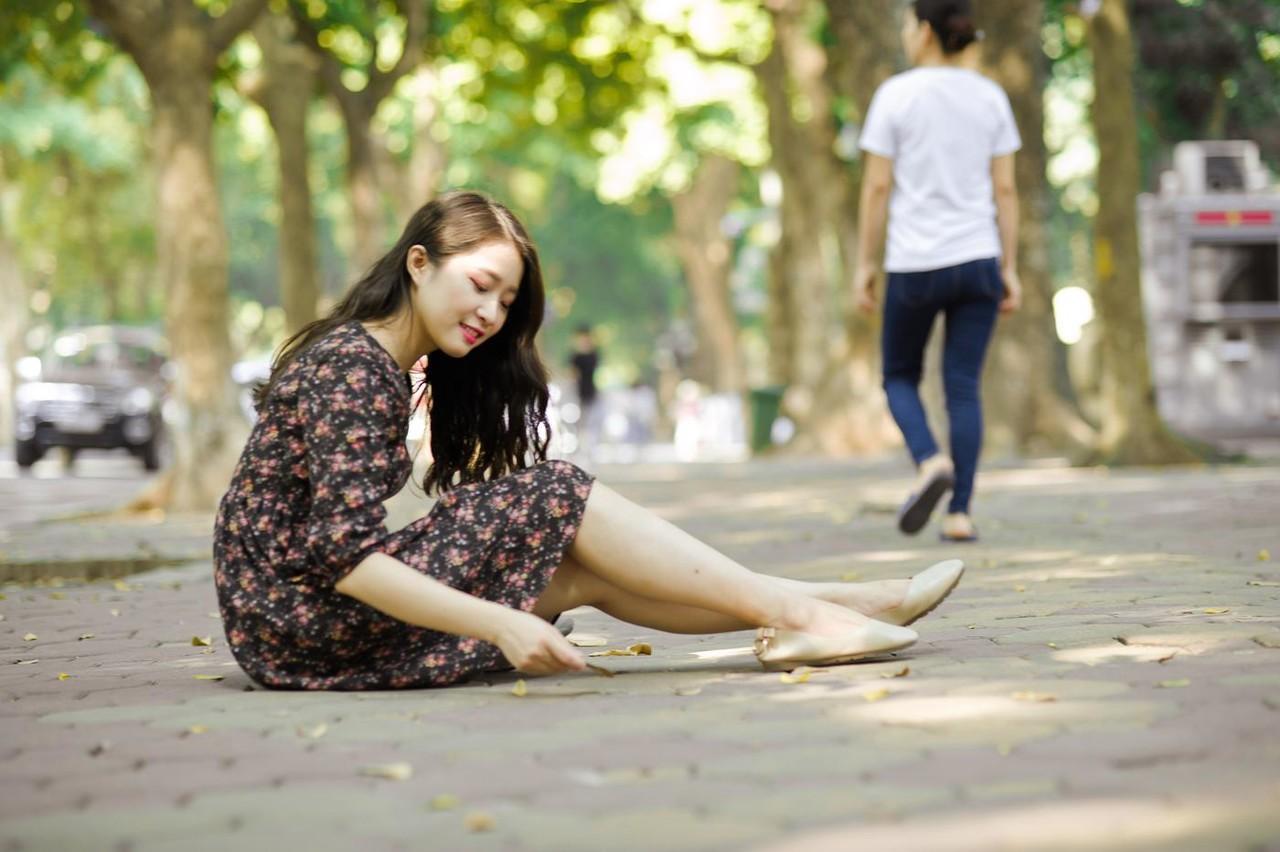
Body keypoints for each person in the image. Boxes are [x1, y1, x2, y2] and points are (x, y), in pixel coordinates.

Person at [213, 190, 966, 691]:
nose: (491, 314)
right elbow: (344, 556)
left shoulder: (390, 364)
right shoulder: (355, 364)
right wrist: (501, 622)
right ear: (418, 263)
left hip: (287, 627)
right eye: (479, 284)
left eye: (506, 302)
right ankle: (819, 611)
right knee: (557, 491)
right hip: (300, 622)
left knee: (581, 571)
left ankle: (824, 610)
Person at [852, 0, 1022, 543]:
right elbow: (1006, 190)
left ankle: (929, 461)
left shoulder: (896, 95)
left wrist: (864, 263)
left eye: (907, 24)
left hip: (915, 263)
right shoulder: (990, 95)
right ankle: (960, 512)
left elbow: (878, 187)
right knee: (963, 387)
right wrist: (1009, 266)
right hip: (977, 260)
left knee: (899, 375)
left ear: (924, 31)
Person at [567, 325, 601, 458]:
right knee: (578, 421)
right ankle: (578, 446)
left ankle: (590, 447)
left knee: (591, 421)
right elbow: (571, 373)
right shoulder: (574, 355)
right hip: (576, 393)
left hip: (590, 391)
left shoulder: (594, 354)